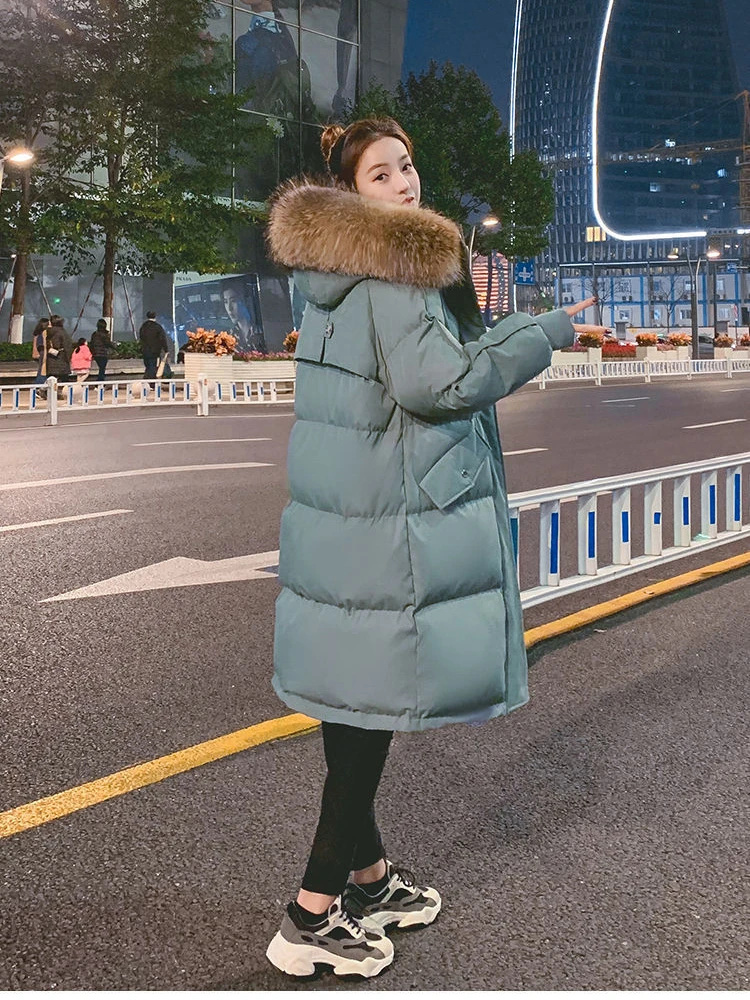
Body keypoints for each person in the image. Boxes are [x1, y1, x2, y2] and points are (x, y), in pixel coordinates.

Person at [264, 118, 602, 980]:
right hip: (395, 524)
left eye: (407, 166)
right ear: (351, 194)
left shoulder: (330, 275)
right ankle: (309, 917)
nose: (404, 183)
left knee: (354, 705)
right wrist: (540, 332)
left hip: (349, 518)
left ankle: (370, 879)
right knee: (371, 719)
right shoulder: (395, 269)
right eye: (380, 175)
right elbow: (439, 383)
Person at [221, 278, 266, 354]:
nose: (229, 308)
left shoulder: (261, 331)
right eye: (225, 302)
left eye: (233, 301)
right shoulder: (229, 337)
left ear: (245, 301)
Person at [45, 315, 73, 392]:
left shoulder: (48, 332)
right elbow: (67, 346)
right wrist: (68, 357)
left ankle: (46, 392)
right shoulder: (62, 332)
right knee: (64, 379)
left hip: (51, 358)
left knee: (51, 379)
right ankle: (65, 394)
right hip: (62, 358)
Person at [138, 311, 169, 380]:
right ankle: (150, 381)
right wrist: (166, 349)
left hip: (145, 350)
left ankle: (147, 380)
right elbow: (162, 339)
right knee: (153, 366)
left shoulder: (144, 326)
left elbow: (141, 337)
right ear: (155, 316)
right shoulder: (157, 327)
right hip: (155, 351)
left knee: (148, 366)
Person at [31, 318, 50, 386]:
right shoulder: (44, 332)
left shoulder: (37, 333)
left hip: (40, 350)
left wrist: (35, 351)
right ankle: (40, 382)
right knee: (43, 367)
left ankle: (39, 382)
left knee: (41, 367)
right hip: (43, 351)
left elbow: (34, 343)